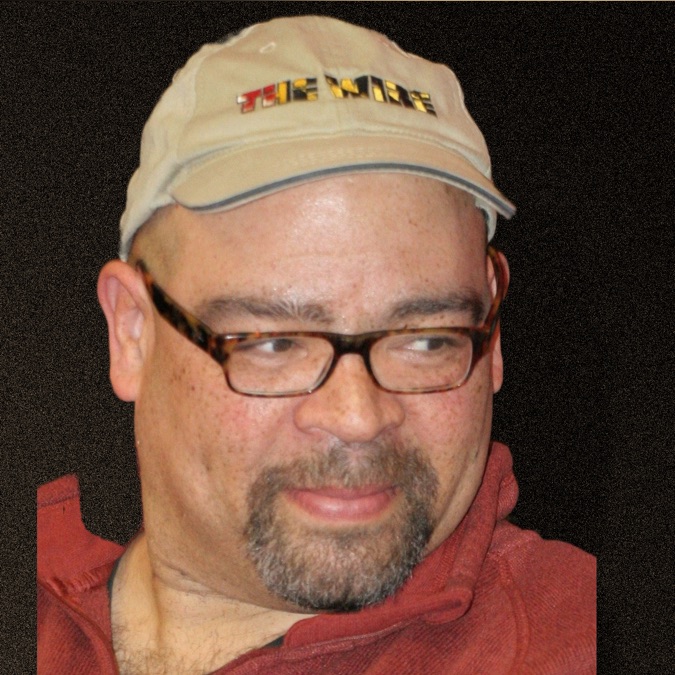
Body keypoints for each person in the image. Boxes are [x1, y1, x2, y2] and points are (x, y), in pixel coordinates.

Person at [37, 15, 596, 674]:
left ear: (491, 335)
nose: (357, 417)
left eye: (424, 339)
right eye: (275, 343)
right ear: (132, 332)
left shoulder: (571, 637)